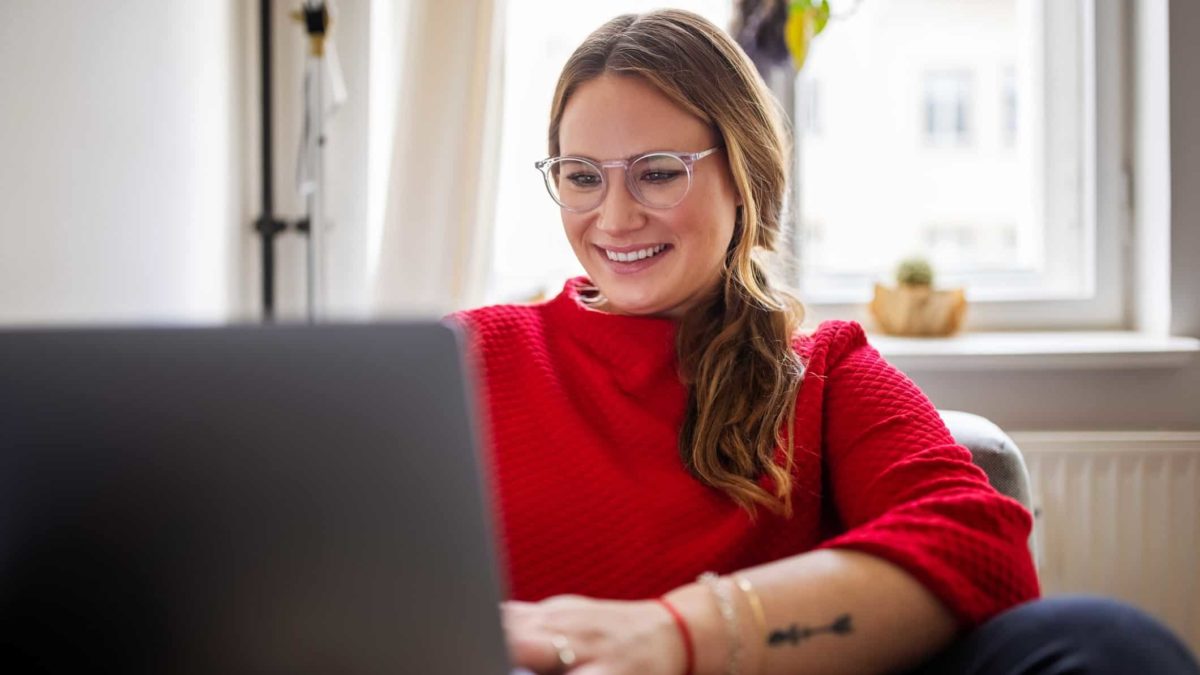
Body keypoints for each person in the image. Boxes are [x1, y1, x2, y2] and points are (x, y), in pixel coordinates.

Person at [453, 9, 1200, 675]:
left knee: (1106, 639)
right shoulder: (468, 357)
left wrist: (678, 634)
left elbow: (984, 544)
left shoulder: (820, 371)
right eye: (581, 176)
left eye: (657, 174)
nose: (613, 218)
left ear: (742, 177)